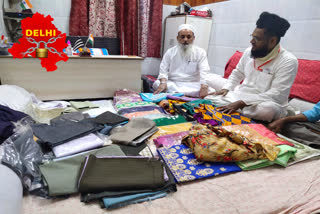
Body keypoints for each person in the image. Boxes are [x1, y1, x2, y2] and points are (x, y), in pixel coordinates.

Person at [206, 12, 298, 122]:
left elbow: (276, 94)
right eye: (252, 36)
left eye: (257, 39)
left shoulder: (288, 61)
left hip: (266, 102)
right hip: (241, 95)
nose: (251, 41)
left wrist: (241, 103)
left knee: (267, 111)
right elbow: (238, 73)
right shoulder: (249, 51)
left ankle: (233, 109)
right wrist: (227, 88)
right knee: (209, 98)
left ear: (272, 41)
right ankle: (235, 109)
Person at [153, 24, 214, 98]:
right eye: (182, 37)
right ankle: (183, 94)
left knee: (210, 90)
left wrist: (204, 87)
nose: (185, 40)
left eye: (188, 37)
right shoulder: (170, 52)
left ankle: (176, 94)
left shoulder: (200, 52)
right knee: (157, 83)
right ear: (177, 38)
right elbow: (163, 69)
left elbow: (204, 71)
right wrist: (163, 82)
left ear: (193, 38)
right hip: (173, 83)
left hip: (192, 83)